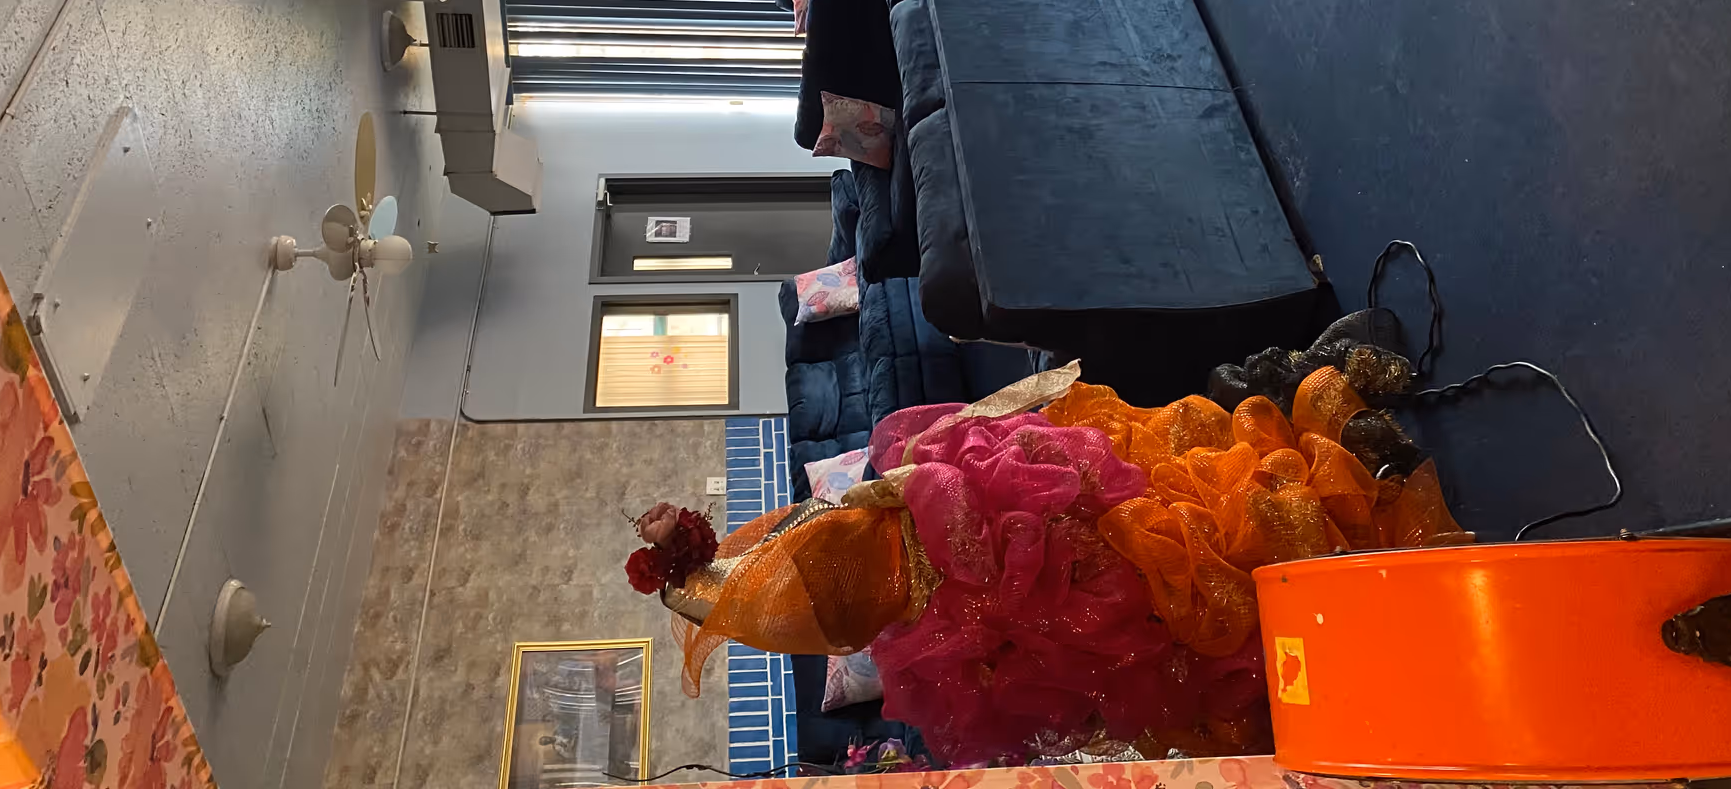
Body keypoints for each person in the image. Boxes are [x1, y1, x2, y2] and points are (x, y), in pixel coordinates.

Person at [626, 358, 1466, 765]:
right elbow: (928, 519)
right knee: (1178, 513)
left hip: (984, 603)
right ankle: (1345, 491)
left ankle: (1345, 526)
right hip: (996, 552)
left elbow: (891, 561)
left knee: (1179, 521)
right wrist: (916, 476)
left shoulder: (773, 608)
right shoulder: (788, 579)